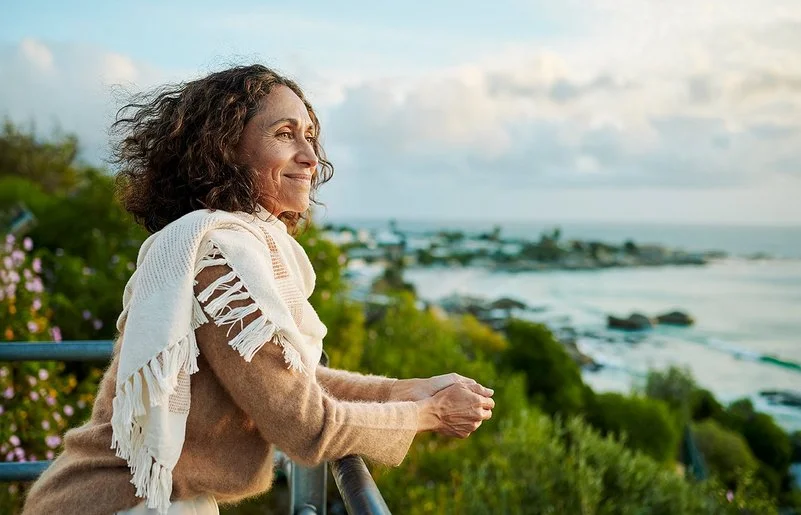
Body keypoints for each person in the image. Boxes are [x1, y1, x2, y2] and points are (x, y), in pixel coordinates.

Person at [22, 64, 495, 515]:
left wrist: (407, 391)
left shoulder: (223, 244)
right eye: (285, 134)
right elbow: (307, 424)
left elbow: (281, 379)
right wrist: (429, 414)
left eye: (310, 136)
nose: (311, 157)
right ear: (225, 148)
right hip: (121, 504)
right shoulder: (219, 260)